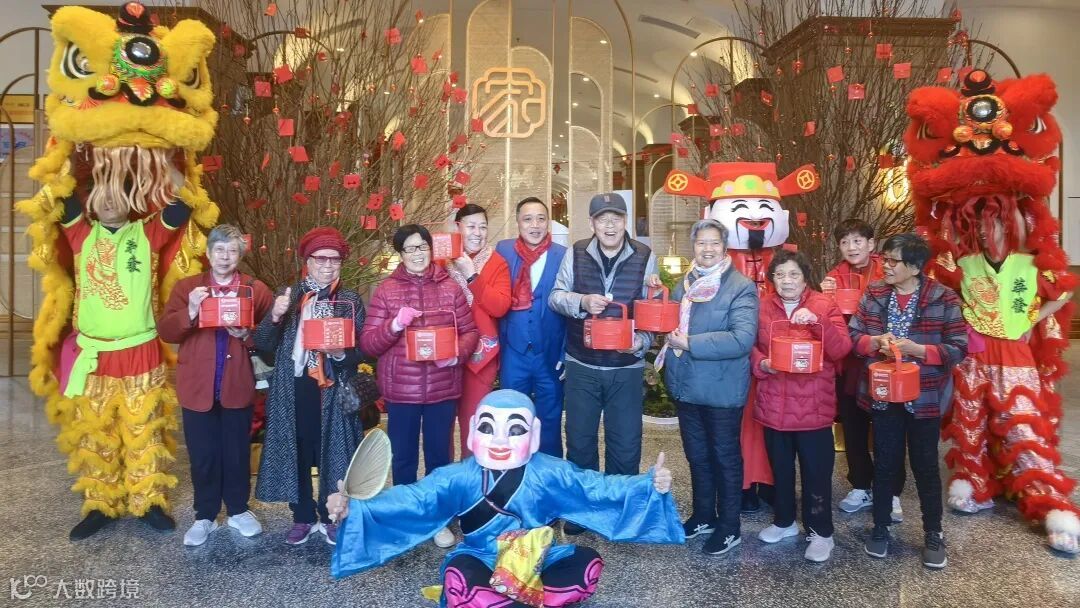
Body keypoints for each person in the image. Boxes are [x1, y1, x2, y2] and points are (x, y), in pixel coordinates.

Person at [328, 389, 685, 608]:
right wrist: (354, 508)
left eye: (514, 429)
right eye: (487, 427)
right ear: (472, 433)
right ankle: (525, 598)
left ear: (534, 435)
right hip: (482, 557)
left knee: (588, 565)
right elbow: (412, 500)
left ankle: (509, 597)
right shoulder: (458, 476)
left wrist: (649, 485)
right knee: (459, 577)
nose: (499, 440)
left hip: (539, 560)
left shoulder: (549, 471)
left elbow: (597, 488)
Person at [58, 172, 192, 540]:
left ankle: (148, 502)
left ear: (131, 202)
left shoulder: (147, 234)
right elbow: (59, 183)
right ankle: (101, 505)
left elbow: (186, 202)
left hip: (140, 351)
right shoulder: (80, 234)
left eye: (117, 194)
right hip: (94, 353)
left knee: (144, 429)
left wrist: (164, 162)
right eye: (102, 194)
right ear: (91, 202)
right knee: (96, 433)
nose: (109, 201)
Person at [850, 233, 967, 569]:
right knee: (885, 462)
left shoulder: (942, 297)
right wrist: (875, 342)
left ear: (915, 267)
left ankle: (933, 533)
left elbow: (959, 346)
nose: (885, 266)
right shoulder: (874, 293)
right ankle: (881, 527)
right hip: (884, 394)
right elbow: (853, 336)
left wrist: (920, 351)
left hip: (924, 395)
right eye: (884, 259)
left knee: (925, 466)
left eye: (893, 261)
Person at [360, 224, 479, 549]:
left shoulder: (450, 288)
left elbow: (470, 332)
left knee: (439, 457)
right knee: (403, 458)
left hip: (442, 387)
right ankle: (408, 517)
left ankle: (438, 518)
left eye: (422, 247)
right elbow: (369, 344)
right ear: (400, 254)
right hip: (402, 390)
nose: (417, 254)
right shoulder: (387, 290)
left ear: (431, 249)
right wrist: (395, 323)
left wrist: (455, 353)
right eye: (410, 248)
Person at [549, 193, 660, 536]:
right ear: (592, 223)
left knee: (625, 442)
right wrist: (582, 301)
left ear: (626, 222)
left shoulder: (645, 256)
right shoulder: (576, 251)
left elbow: (652, 311)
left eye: (616, 218)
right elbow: (555, 296)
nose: (609, 225)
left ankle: (619, 509)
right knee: (580, 440)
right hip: (581, 362)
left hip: (625, 367)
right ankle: (583, 509)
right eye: (602, 218)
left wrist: (641, 342)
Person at [158, 224, 273, 546]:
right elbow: (166, 331)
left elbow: (272, 337)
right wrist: (191, 310)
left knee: (236, 452)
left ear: (240, 255)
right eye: (219, 250)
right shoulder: (188, 287)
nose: (225, 256)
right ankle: (205, 515)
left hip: (237, 383)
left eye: (232, 251)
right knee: (203, 455)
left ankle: (238, 510)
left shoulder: (255, 290)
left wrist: (247, 335)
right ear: (208, 254)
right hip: (198, 385)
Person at [254, 227, 366, 547]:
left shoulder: (349, 299)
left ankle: (332, 516)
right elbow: (263, 344)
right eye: (321, 259)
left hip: (332, 389)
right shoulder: (289, 295)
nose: (328, 265)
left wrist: (340, 353)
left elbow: (362, 351)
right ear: (308, 261)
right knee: (298, 450)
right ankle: (302, 516)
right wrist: (275, 316)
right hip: (294, 386)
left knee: (333, 453)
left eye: (335, 259)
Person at [658, 220, 758, 556]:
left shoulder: (740, 287)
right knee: (697, 456)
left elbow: (741, 339)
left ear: (725, 247)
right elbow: (668, 321)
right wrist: (657, 300)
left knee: (724, 458)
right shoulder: (684, 284)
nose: (707, 249)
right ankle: (704, 515)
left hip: (721, 389)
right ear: (694, 246)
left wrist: (689, 342)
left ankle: (730, 526)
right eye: (701, 242)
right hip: (687, 385)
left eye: (714, 242)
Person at [751, 249, 851, 562]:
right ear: (772, 279)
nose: (787, 281)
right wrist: (762, 363)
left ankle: (821, 532)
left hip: (813, 408)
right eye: (780, 275)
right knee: (780, 471)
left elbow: (841, 349)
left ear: (805, 277)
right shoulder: (762, 306)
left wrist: (818, 322)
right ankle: (785, 522)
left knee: (816, 473)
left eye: (793, 274)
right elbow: (751, 346)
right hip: (773, 405)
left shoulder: (823, 304)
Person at [821, 219, 904, 521]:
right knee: (853, 426)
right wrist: (825, 297)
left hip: (885, 361)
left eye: (858, 241)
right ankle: (860, 485)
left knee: (887, 428)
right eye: (845, 242)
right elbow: (829, 320)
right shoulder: (834, 276)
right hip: (851, 363)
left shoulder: (890, 270)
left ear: (871, 244)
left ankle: (891, 492)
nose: (851, 247)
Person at [495, 197, 568, 457]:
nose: (534, 225)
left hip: (549, 353)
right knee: (511, 419)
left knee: (550, 420)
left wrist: (565, 353)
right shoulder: (503, 250)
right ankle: (513, 471)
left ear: (548, 223)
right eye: (528, 219)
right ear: (517, 222)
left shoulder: (563, 255)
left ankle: (550, 474)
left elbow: (571, 309)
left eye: (541, 219)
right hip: (514, 352)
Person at [446, 204, 511, 459]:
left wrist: (472, 275)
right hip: (445, 351)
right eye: (471, 226)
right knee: (441, 423)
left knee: (475, 421)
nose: (478, 233)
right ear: (457, 227)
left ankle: (473, 475)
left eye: (483, 227)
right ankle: (445, 476)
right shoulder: (442, 259)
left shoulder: (497, 262)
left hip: (480, 354)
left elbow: (500, 307)